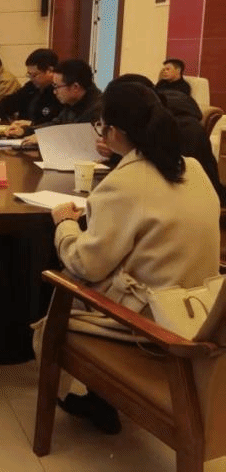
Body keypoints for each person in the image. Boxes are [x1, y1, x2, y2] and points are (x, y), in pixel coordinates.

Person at [45, 80, 220, 434]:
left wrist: (65, 224)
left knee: (68, 283)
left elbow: (86, 263)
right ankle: (98, 399)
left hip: (154, 325)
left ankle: (95, 395)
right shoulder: (193, 168)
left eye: (101, 126)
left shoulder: (125, 183)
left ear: (114, 132)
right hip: (203, 312)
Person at [98, 73, 226, 204]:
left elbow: (158, 176)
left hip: (193, 203)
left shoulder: (182, 130)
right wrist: (115, 151)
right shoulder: (149, 125)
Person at [12, 59, 101, 143]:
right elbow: (56, 124)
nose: (54, 92)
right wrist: (26, 130)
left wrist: (44, 138)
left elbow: (77, 138)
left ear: (75, 87)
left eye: (56, 87)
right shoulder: (72, 102)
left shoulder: (98, 109)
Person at [0, 48, 62, 126]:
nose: (31, 79)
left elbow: (56, 123)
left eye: (35, 75)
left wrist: (31, 124)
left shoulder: (60, 92)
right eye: (29, 75)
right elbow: (8, 103)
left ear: (50, 71)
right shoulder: (31, 87)